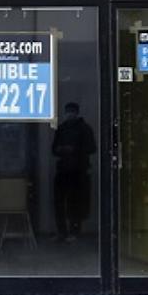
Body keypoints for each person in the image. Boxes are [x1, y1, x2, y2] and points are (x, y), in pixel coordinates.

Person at [52, 102, 96, 242]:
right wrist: (61, 150)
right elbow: (53, 148)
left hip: (78, 170)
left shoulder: (84, 129)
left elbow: (92, 148)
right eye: (67, 111)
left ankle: (74, 232)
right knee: (59, 202)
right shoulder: (62, 128)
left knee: (75, 202)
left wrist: (75, 150)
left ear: (76, 112)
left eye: (71, 111)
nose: (69, 114)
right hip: (64, 169)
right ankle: (62, 232)